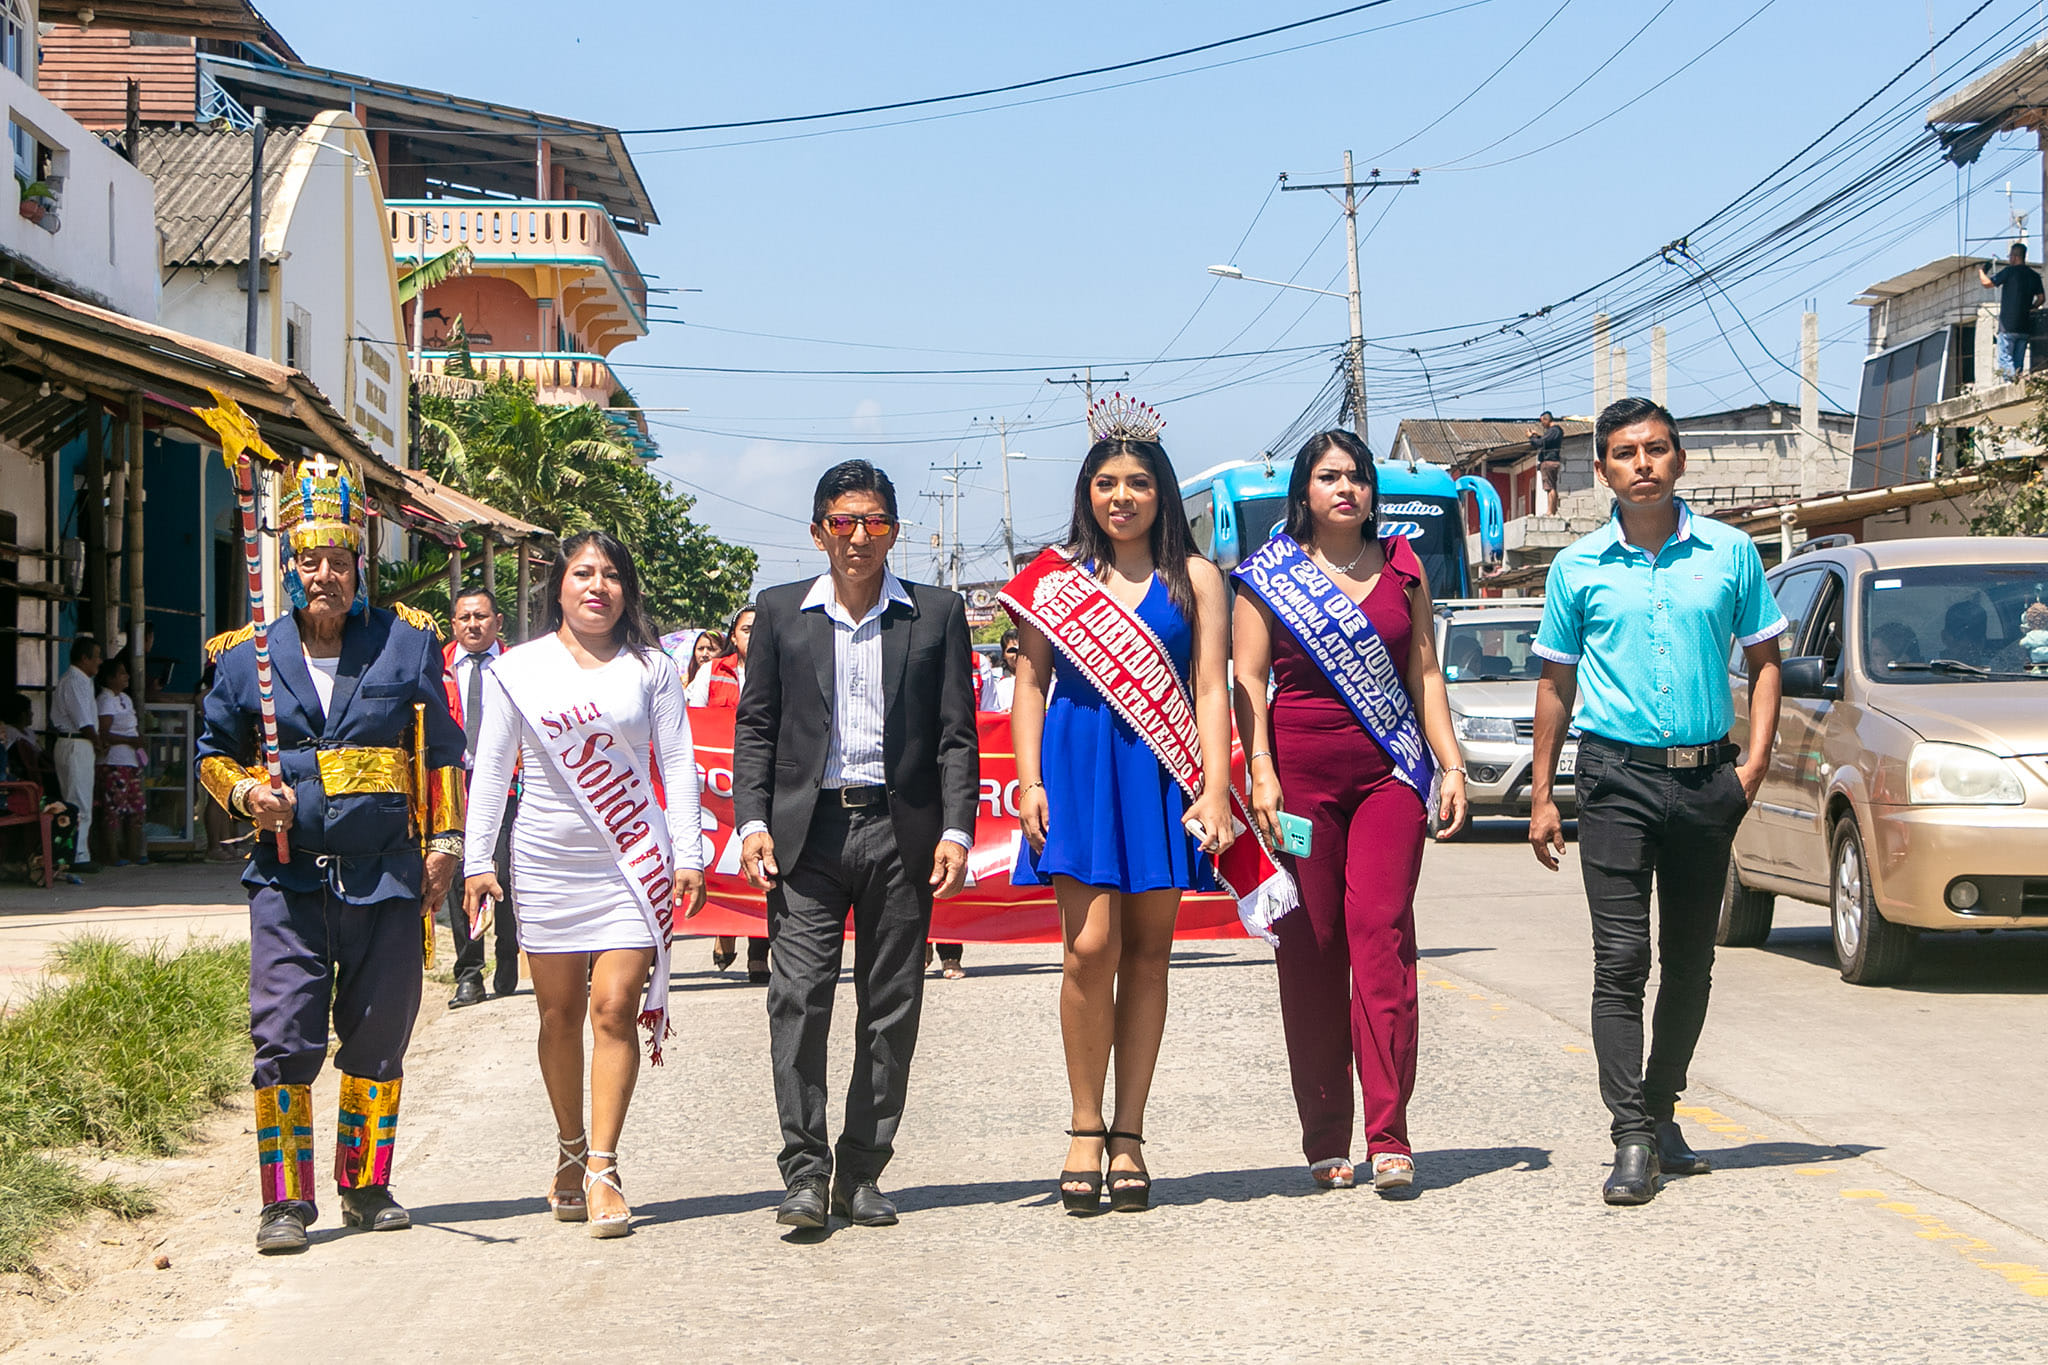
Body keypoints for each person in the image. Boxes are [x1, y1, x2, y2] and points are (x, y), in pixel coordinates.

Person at [196, 457, 466, 1254]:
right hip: (288, 878)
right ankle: (284, 1200)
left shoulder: (405, 643)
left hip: (386, 874)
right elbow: (213, 755)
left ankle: (365, 1184)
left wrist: (446, 845)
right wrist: (250, 793)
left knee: (380, 1032)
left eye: (339, 560)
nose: (325, 576)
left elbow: (441, 753)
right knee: (284, 1035)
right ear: (288, 566)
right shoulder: (244, 656)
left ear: (360, 564)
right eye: (310, 560)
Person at [1526, 397, 1785, 1207]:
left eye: (1657, 448)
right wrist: (1542, 794)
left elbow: (1767, 660)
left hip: (1708, 781)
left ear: (1679, 459)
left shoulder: (1731, 553)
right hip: (1615, 780)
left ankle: (1663, 1107)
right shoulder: (1577, 568)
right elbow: (1556, 683)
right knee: (1620, 960)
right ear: (1603, 468)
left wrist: (1754, 765)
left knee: (1692, 957)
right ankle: (1631, 1135)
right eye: (1625, 452)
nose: (1643, 463)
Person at [1005, 395, 1234, 1215]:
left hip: (1161, 772)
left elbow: (1211, 687)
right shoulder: (1054, 579)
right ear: (1087, 492)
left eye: (1138, 482)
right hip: (1076, 768)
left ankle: (1129, 1130)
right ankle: (1083, 1122)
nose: (1122, 496)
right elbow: (1029, 683)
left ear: (1161, 491)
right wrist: (1029, 781)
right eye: (1107, 483)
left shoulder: (1197, 579)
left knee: (1147, 953)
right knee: (1087, 948)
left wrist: (1215, 785)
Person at [734, 459, 978, 1231]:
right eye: (843, 522)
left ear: (894, 532)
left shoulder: (935, 614)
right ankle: (806, 1173)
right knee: (798, 999)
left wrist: (956, 828)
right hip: (806, 836)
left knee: (891, 1006)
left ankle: (863, 1171)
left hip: (901, 834)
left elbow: (957, 734)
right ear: (819, 532)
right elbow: (756, 726)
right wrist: (751, 820)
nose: (859, 536)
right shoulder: (780, 612)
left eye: (873, 522)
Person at [1230, 429, 1469, 1194]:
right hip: (1297, 782)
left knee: (1380, 934)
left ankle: (1389, 1133)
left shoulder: (1403, 565)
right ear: (1304, 489)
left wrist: (1451, 763)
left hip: (1389, 774)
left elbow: (1424, 671)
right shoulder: (1267, 576)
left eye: (1358, 476)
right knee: (1312, 947)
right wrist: (1260, 773)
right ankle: (1326, 1134)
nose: (1346, 488)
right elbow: (1248, 682)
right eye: (1329, 475)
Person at [463, 531, 707, 1239]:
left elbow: (679, 762)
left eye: (611, 575)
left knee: (616, 1008)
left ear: (627, 589)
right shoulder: (519, 669)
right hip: (546, 860)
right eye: (583, 573)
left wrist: (689, 852)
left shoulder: (653, 669)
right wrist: (479, 860)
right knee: (559, 1015)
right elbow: (492, 767)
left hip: (632, 858)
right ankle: (569, 1146)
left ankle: (603, 1165)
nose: (598, 586)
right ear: (560, 587)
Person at [443, 588, 521, 1008]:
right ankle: (469, 974)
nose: (473, 625)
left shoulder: (517, 667)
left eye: (481, 617)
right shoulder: (436, 667)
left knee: (504, 873)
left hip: (507, 785)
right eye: (465, 618)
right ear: (453, 624)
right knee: (459, 877)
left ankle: (508, 952)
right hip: (453, 786)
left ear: (498, 622)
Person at [705, 606, 769, 981]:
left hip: (763, 777)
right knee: (724, 858)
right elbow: (690, 720)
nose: (754, 635)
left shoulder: (784, 667)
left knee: (763, 861)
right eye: (746, 629)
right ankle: (724, 928)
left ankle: (759, 953)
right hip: (719, 783)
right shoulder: (714, 673)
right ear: (733, 636)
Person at [49, 636, 101, 875]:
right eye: (96, 657)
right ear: (84, 658)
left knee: (79, 798)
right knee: (78, 801)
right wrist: (98, 743)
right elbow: (84, 722)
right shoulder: (74, 682)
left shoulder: (82, 681)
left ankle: (79, 851)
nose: (99, 662)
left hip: (77, 744)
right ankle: (77, 855)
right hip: (76, 743)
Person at [93, 655, 146, 866]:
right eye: (121, 673)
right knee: (113, 809)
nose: (127, 677)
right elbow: (103, 733)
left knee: (135, 808)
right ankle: (112, 854)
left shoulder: (125, 698)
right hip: (113, 762)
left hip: (131, 761)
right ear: (110, 678)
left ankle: (133, 852)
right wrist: (130, 740)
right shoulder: (105, 699)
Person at [1979, 243, 2044, 379]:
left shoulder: (2009, 272)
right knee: (2018, 362)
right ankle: (2018, 382)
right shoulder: (2034, 276)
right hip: (2024, 326)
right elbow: (2041, 298)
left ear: (2015, 256)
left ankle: (2011, 383)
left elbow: (1987, 283)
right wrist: (2031, 308)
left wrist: (1981, 271)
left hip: (2008, 326)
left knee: (2006, 359)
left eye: (2010, 256)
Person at [1528, 411, 1565, 516]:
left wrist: (1531, 437)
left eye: (1542, 422)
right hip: (1553, 461)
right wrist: (1536, 436)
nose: (1542, 425)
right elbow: (1545, 440)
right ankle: (1552, 511)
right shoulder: (1555, 431)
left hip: (1549, 461)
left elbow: (1541, 443)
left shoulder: (1554, 431)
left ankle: (1550, 511)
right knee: (1551, 487)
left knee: (1550, 487)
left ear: (1547, 420)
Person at [980, 631, 1020, 712]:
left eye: (1022, 649)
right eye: (1012, 650)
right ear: (1004, 655)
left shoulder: (1042, 681)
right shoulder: (995, 682)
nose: (1018, 654)